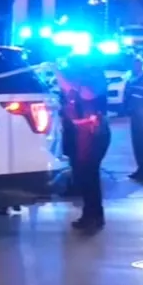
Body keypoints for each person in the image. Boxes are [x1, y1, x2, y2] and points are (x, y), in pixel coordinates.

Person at [58, 58, 111, 231]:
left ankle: (94, 216)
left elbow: (80, 93)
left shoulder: (90, 88)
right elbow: (67, 87)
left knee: (90, 178)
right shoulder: (83, 87)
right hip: (83, 137)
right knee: (85, 177)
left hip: (93, 136)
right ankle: (90, 214)